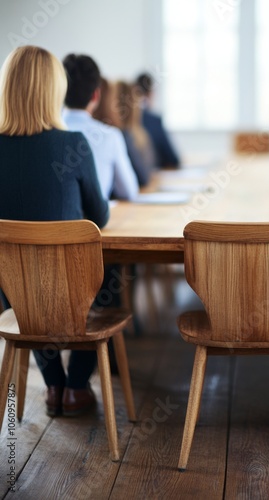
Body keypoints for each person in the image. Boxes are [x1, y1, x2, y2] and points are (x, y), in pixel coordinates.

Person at [0, 46, 109, 417]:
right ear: (54, 92)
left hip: (14, 295)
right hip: (70, 292)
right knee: (106, 283)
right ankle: (76, 386)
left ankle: (53, 385)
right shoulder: (73, 144)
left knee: (27, 299)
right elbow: (100, 217)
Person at [62, 54, 139, 201]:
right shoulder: (110, 136)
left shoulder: (45, 133)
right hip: (96, 222)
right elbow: (129, 191)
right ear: (96, 95)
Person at [135, 72, 180, 169]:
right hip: (153, 177)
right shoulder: (154, 121)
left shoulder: (123, 120)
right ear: (151, 93)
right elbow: (172, 159)